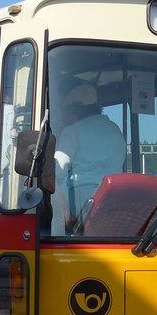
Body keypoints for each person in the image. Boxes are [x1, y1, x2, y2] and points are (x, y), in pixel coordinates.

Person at [52, 83, 126, 233]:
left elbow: (55, 171)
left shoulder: (73, 131)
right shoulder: (115, 130)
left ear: (75, 109)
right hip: (112, 200)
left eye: (64, 109)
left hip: (80, 203)